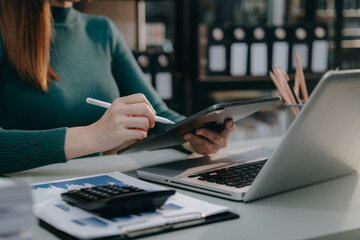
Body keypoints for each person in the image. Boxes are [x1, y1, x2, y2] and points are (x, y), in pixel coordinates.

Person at [0, 0, 235, 174]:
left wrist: (195, 135)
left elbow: (156, 114)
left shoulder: (102, 30)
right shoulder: (5, 30)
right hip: (24, 196)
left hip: (90, 185)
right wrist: (93, 135)